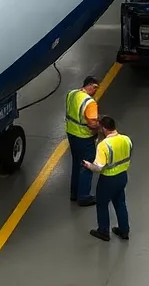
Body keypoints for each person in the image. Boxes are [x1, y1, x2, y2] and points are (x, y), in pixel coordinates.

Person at [83, 116, 131, 241]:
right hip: (122, 177)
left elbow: (98, 168)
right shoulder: (126, 139)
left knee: (102, 204)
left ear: (104, 129)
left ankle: (104, 231)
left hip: (108, 180)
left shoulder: (103, 145)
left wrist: (89, 165)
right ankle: (124, 230)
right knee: (120, 203)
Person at [64, 76, 101, 206]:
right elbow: (91, 123)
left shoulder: (72, 94)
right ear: (91, 86)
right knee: (87, 165)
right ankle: (84, 196)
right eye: (95, 88)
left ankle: (74, 193)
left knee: (76, 163)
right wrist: (99, 128)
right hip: (84, 137)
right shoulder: (89, 103)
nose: (96, 91)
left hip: (71, 134)